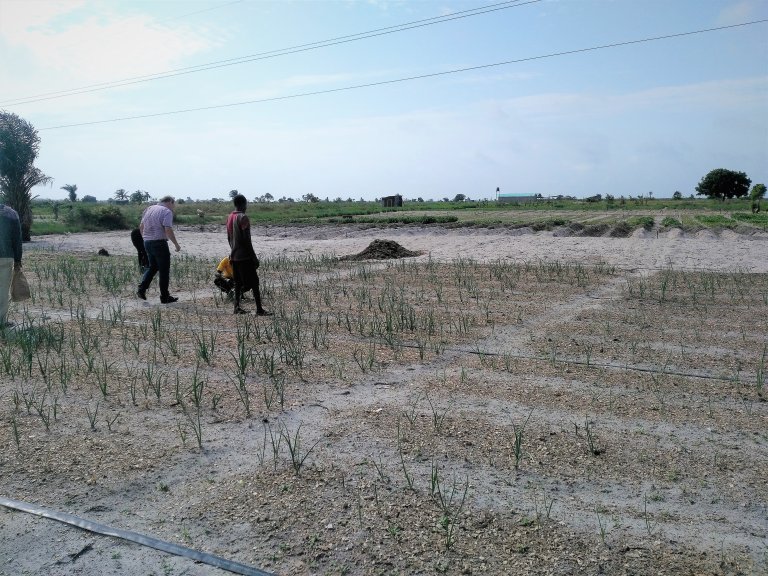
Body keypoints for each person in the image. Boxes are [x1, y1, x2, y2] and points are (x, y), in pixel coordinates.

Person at [227, 194, 271, 315]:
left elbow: (229, 237)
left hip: (234, 255)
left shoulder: (230, 217)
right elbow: (246, 240)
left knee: (237, 282)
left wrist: (233, 251)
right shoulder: (243, 217)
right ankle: (259, 309)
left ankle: (236, 307)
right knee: (254, 283)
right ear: (243, 204)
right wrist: (253, 257)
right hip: (244, 256)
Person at [136, 195, 180, 304]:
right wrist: (176, 244)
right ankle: (165, 297)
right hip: (159, 243)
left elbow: (141, 226)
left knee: (153, 267)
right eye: (173, 204)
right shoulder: (166, 211)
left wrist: (145, 238)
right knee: (164, 270)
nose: (173, 207)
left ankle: (141, 289)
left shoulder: (149, 209)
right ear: (170, 202)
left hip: (147, 242)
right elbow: (168, 229)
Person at [0, 203, 23, 328]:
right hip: (5, 257)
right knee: (2, 291)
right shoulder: (12, 214)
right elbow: (17, 239)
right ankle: (1, 322)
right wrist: (18, 259)